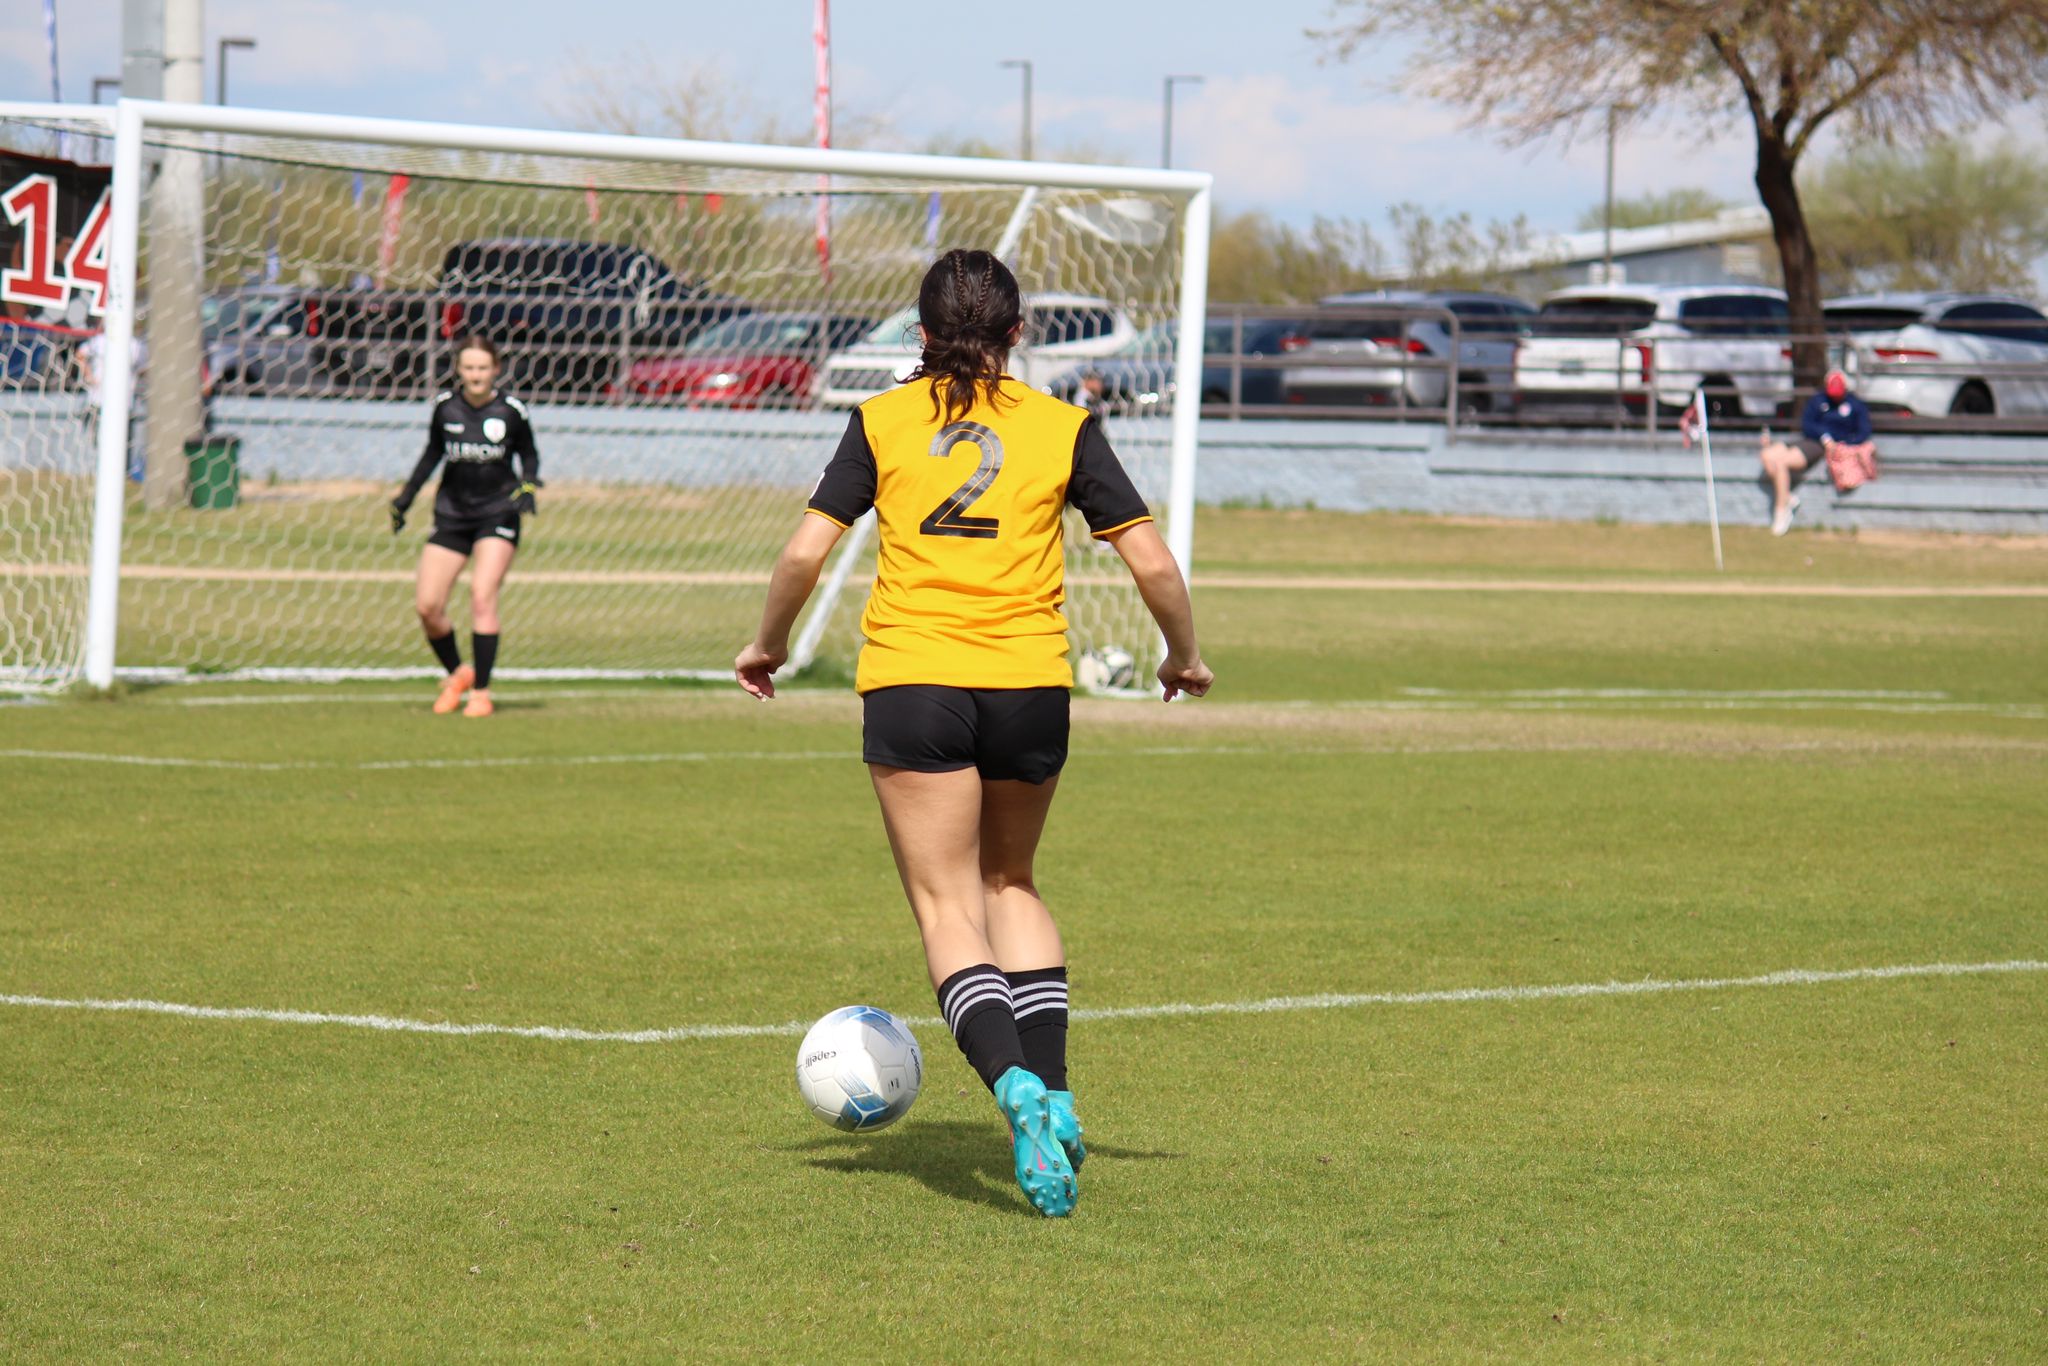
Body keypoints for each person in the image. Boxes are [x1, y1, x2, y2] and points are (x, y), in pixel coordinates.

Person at [734, 249, 1212, 1218]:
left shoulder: (881, 420)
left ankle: (1013, 1087)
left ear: (919, 336)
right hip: (1030, 685)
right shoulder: (1065, 426)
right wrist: (1181, 655)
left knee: (948, 908)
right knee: (1012, 885)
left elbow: (802, 552)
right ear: (1017, 334)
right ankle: (1058, 1091)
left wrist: (767, 643)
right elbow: (1154, 564)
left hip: (916, 684)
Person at [390, 335, 540, 718]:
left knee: (481, 594)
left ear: (496, 370)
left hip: (497, 514)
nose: (476, 375)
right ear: (459, 369)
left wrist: (526, 486)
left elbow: (529, 454)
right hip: (452, 514)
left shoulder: (511, 411)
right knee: (427, 606)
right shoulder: (445, 408)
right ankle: (459, 673)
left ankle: (481, 693)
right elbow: (431, 455)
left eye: (483, 368)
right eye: (469, 367)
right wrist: (405, 498)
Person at [1759, 369, 1872, 536]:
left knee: (1782, 462)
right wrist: (1823, 435)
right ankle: (1787, 497)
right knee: (1767, 455)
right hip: (1810, 440)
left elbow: (1863, 432)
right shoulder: (1818, 401)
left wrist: (1842, 443)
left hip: (1820, 448)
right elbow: (1807, 424)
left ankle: (1781, 511)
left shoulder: (1855, 405)